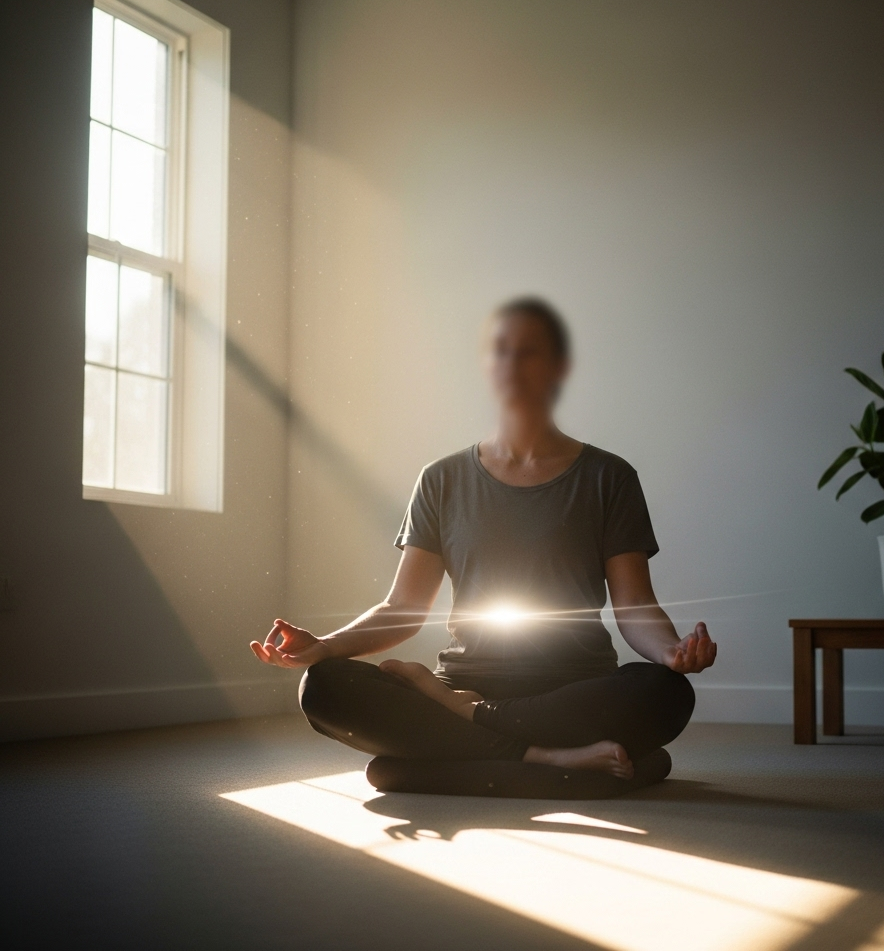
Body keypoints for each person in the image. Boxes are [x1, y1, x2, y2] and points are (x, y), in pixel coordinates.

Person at [251, 297, 717, 798]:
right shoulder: (441, 479)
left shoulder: (610, 477)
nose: (512, 365)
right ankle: (550, 760)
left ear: (559, 367)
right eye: (500, 352)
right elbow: (403, 607)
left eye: (529, 352)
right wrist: (325, 647)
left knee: (665, 693)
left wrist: (669, 651)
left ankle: (448, 755)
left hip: (571, 691)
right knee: (323, 687)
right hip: (463, 681)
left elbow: (634, 603)